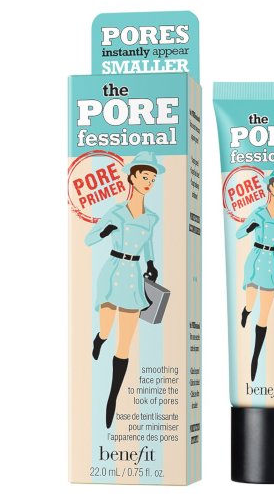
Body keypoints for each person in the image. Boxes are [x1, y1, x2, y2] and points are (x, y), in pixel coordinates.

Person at [85, 151, 165, 428]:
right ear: (132, 177)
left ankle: (113, 399)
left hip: (133, 277)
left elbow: (149, 244)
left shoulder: (151, 218)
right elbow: (88, 239)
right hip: (112, 272)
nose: (149, 183)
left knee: (125, 344)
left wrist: (151, 264)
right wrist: (104, 232)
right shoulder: (116, 211)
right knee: (107, 329)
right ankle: (99, 339)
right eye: (145, 177)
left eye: (152, 179)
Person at [236, 167, 274, 381]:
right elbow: (238, 233)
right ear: (270, 187)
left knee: (265, 314)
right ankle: (246, 311)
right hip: (255, 260)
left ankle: (255, 357)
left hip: (271, 263)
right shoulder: (258, 213)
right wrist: (249, 228)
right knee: (251, 303)